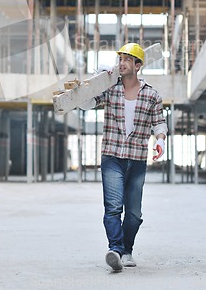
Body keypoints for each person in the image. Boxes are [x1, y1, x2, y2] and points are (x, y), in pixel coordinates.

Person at [80, 42, 167, 272]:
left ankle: (127, 249)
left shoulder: (151, 95)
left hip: (137, 158)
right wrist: (97, 77)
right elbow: (86, 104)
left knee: (134, 214)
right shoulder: (110, 89)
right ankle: (116, 250)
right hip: (112, 156)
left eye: (127, 59)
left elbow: (159, 122)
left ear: (138, 66)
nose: (122, 63)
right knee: (112, 207)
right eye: (120, 59)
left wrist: (160, 140)